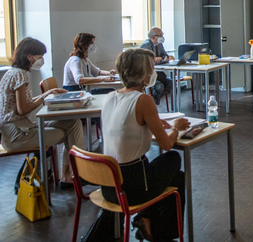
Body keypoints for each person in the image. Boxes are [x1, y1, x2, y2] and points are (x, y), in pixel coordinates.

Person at [101, 48, 190, 241]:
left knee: (176, 177)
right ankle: (156, 227)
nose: (153, 73)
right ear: (143, 74)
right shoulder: (143, 99)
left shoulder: (110, 97)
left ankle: (149, 222)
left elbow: (125, 129)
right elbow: (166, 145)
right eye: (151, 68)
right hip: (131, 187)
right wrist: (176, 127)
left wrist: (154, 124)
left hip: (108, 186)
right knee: (173, 158)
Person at [0, 37, 84, 188]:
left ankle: (70, 175)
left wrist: (49, 92)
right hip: (18, 134)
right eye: (39, 57)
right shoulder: (21, 75)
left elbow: (24, 104)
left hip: (17, 129)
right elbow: (23, 109)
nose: (41, 60)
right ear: (29, 57)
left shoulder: (13, 72)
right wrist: (45, 97)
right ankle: (74, 175)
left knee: (73, 123)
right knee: (72, 133)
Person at [140, 27, 174, 105]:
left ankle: (154, 100)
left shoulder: (159, 44)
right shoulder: (146, 45)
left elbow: (165, 56)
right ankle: (153, 102)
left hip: (158, 73)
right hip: (148, 74)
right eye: (160, 35)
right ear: (153, 37)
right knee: (159, 87)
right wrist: (162, 60)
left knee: (171, 83)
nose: (162, 37)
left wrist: (161, 59)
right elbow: (150, 62)